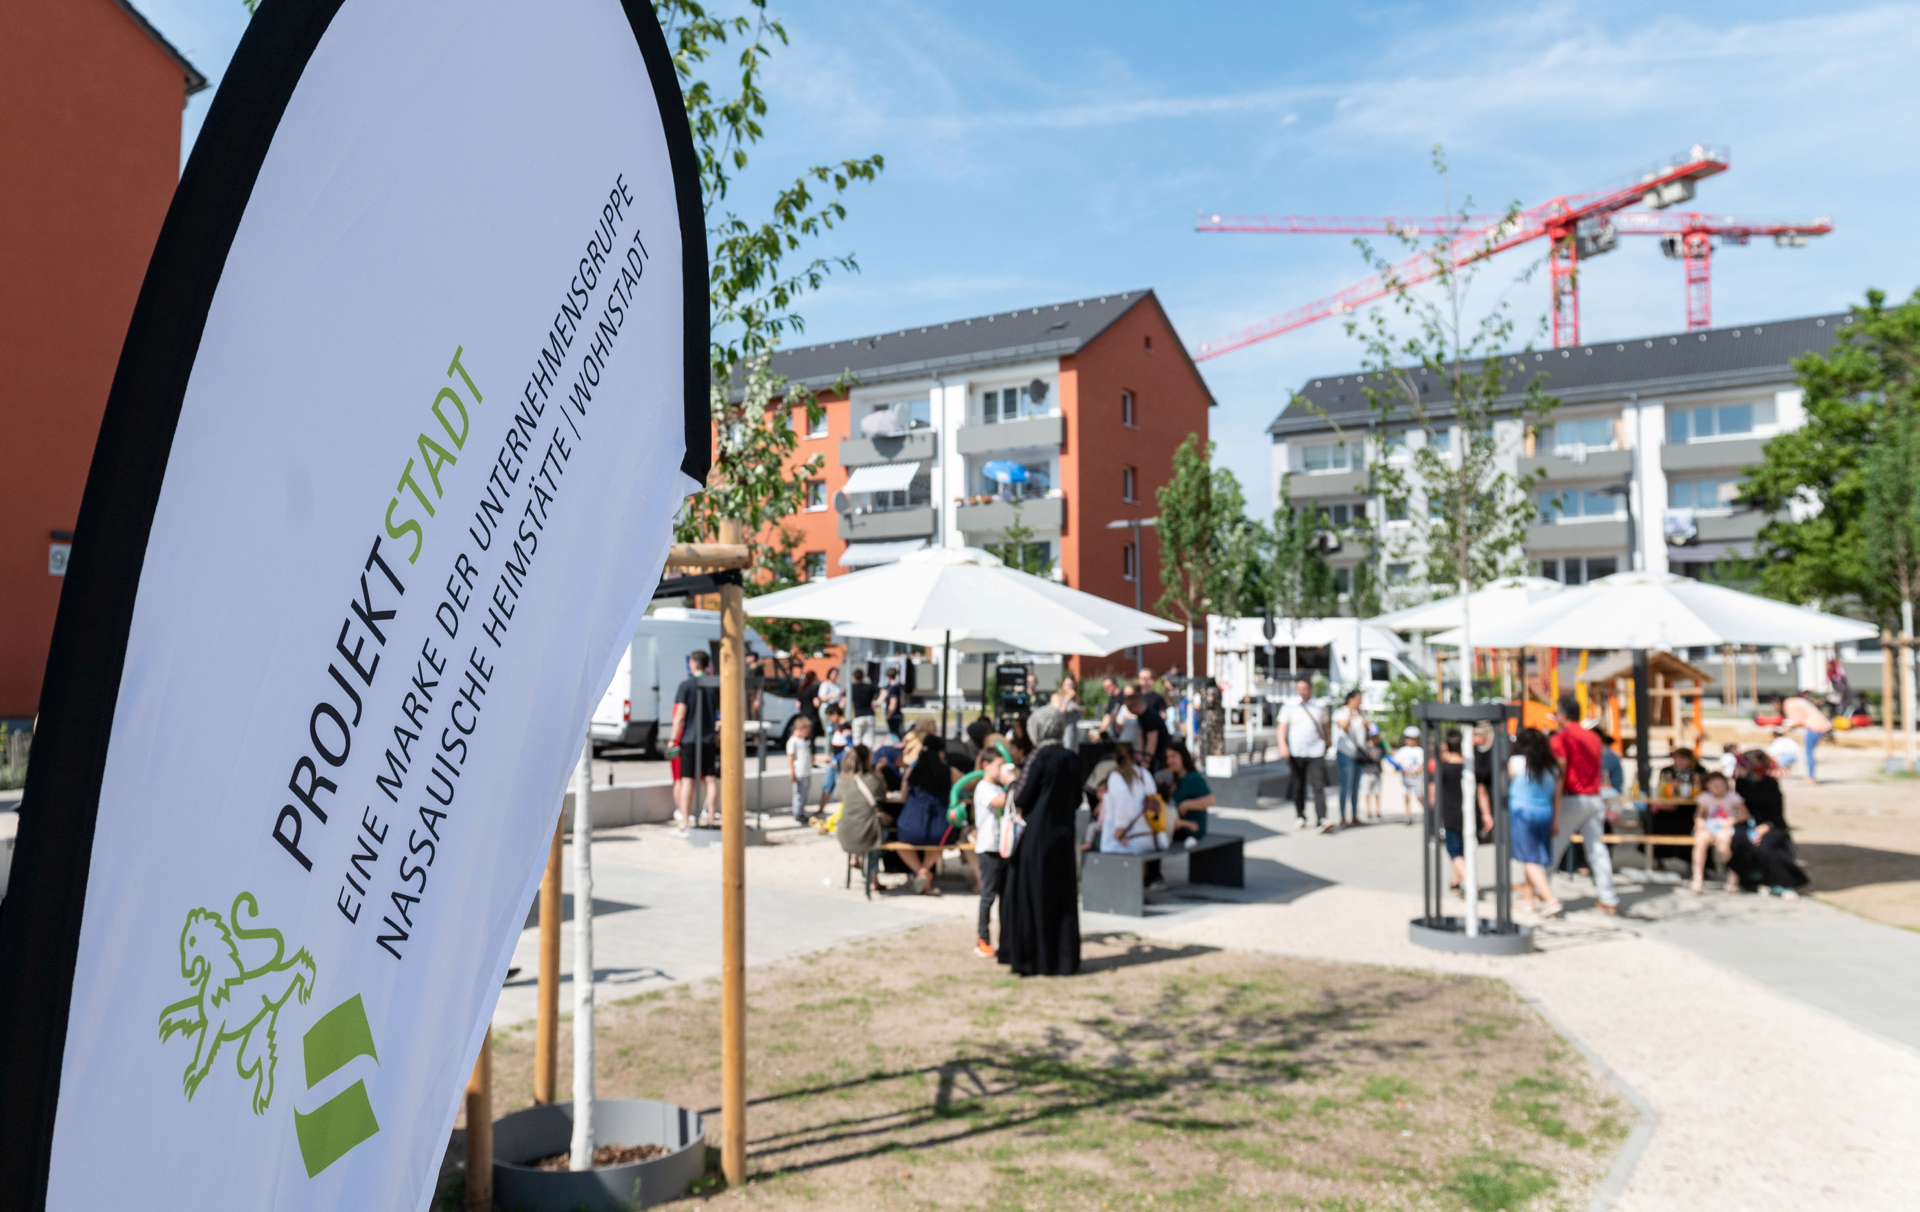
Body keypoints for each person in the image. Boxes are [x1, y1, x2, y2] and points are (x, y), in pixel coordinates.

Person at [999, 707, 1082, 977]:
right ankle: (1062, 959)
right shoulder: (1072, 758)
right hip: (1064, 835)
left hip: (1037, 837)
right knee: (1062, 897)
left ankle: (1034, 959)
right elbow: (1078, 799)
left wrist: (1011, 782)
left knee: (1033, 895)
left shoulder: (1039, 756)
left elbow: (1022, 797)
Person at [1549, 695, 1620, 915]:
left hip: (1572, 797)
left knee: (1553, 846)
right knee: (1597, 850)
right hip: (1594, 797)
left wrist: (1555, 806)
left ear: (1562, 716)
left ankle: (1539, 890)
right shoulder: (1594, 738)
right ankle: (1609, 897)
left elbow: (1559, 774)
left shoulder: (1561, 738)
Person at [1731, 750, 1807, 897]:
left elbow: (1777, 812)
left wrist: (1765, 826)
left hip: (1772, 823)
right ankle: (1751, 880)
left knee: (1767, 845)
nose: (1736, 769)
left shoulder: (1770, 784)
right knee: (1738, 839)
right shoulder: (1741, 782)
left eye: (1741, 766)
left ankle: (1784, 883)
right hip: (1749, 822)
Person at [1508, 727, 1563, 917]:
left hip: (1522, 813)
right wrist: (1555, 820)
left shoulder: (1516, 762)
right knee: (1531, 856)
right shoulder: (1552, 766)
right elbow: (1557, 797)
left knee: (1529, 858)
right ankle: (1528, 898)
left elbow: (1505, 785)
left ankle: (1550, 899)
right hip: (1544, 813)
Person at [895, 736, 959, 895]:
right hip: (939, 826)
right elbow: (967, 784)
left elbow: (903, 798)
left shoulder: (913, 770)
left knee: (899, 843)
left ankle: (921, 872)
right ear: (941, 752)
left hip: (910, 825)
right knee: (939, 840)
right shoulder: (949, 771)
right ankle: (925, 871)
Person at [970, 747, 1014, 957]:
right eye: (998, 766)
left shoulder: (997, 788)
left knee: (1005, 895)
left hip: (1002, 847)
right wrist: (1013, 784)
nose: (1001, 771)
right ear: (986, 766)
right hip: (988, 848)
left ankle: (1004, 938)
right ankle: (983, 939)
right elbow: (1000, 802)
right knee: (988, 895)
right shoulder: (984, 788)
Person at [671, 650, 720, 832]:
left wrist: (672, 738)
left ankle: (685, 821)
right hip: (708, 738)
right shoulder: (714, 685)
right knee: (710, 779)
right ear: (707, 665)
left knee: (687, 780)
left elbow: (680, 715)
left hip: (690, 738)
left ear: (693, 663)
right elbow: (720, 714)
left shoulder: (686, 685)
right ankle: (711, 819)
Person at [834, 745, 892, 892]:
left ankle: (857, 858)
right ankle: (873, 879)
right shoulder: (873, 780)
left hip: (845, 833)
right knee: (881, 836)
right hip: (868, 834)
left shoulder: (843, 782)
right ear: (866, 759)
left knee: (867, 830)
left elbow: (841, 798)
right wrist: (878, 772)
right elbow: (883, 795)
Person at [1276, 678, 1330, 830]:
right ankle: (1300, 816)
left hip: (1316, 751)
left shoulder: (1320, 705)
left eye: (1304, 688)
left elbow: (1326, 725)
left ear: (1310, 688)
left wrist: (1328, 741)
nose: (1302, 692)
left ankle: (1322, 818)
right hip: (1296, 751)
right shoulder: (1289, 705)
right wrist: (1282, 745)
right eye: (1299, 689)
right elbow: (1282, 727)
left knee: (1318, 785)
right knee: (1298, 785)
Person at [1099, 742, 1163, 854]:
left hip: (1126, 839)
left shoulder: (1116, 777)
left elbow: (1124, 801)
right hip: (1148, 836)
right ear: (1135, 756)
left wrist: (1120, 827)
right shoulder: (1145, 774)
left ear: (1115, 758)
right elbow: (1153, 799)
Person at [1689, 770, 1743, 895]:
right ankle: (1698, 877)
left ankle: (1732, 875)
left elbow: (1745, 814)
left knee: (1723, 847)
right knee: (1700, 842)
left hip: (1724, 827)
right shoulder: (1705, 797)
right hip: (1710, 825)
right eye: (1715, 786)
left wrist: (1733, 820)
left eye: (1721, 785)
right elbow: (1699, 814)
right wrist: (1699, 821)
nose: (1718, 788)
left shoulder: (1733, 797)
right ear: (1708, 786)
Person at [1436, 730, 1470, 890]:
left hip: (1450, 812)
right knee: (1461, 847)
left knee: (1454, 850)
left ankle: (1470, 881)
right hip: (1467, 811)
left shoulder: (1444, 767)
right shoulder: (1468, 765)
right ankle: (1455, 881)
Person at [1163, 742, 1214, 845]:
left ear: (1183, 757)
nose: (1170, 761)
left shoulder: (1192, 778)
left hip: (1190, 829)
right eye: (1168, 757)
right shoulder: (1173, 779)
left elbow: (1211, 800)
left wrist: (1187, 804)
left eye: (1173, 756)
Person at [1331, 690, 1368, 829]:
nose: (1360, 702)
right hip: (1345, 754)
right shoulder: (1341, 712)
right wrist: (1351, 717)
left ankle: (1354, 816)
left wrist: (1365, 724)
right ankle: (1342, 818)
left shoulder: (1361, 713)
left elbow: (1367, 731)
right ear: (1350, 699)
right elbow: (1344, 727)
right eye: (1358, 699)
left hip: (1359, 755)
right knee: (1345, 786)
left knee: (1355, 787)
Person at [1781, 691, 1833, 783]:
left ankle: (1811, 778)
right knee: (1810, 752)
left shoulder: (1788, 703)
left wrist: (1785, 729)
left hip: (1815, 727)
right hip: (1821, 724)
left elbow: (1796, 720)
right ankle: (1810, 776)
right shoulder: (1798, 701)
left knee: (1808, 752)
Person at [785, 715, 817, 824]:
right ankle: (797, 814)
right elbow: (790, 757)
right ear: (799, 729)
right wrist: (792, 771)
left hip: (806, 771)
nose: (808, 733)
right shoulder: (792, 741)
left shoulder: (803, 740)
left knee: (804, 794)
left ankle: (802, 812)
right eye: (806, 731)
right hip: (799, 772)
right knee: (798, 794)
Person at [817, 705, 849, 813]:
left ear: (835, 714)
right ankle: (821, 809)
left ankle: (844, 812)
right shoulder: (835, 726)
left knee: (841, 788)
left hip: (840, 764)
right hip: (833, 762)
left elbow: (849, 746)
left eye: (830, 716)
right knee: (827, 785)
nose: (830, 719)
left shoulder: (845, 727)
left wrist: (836, 759)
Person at [1389, 727, 1424, 822]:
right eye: (1407, 738)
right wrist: (1398, 768)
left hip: (1416, 778)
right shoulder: (1403, 750)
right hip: (1405, 778)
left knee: (1419, 796)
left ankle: (1427, 813)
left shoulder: (1419, 751)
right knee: (1406, 796)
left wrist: (1413, 771)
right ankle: (1407, 815)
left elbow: (1421, 766)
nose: (1408, 740)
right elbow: (1397, 764)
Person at [1131, 690, 1168, 771]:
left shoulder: (1150, 716)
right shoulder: (1141, 716)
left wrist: (1146, 761)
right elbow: (1140, 735)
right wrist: (1140, 754)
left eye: (1129, 708)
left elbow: (1152, 741)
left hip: (1159, 755)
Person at [1049, 674, 1083, 750]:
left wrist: (1080, 713)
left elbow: (1074, 717)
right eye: (1068, 685)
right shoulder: (1056, 696)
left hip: (1072, 730)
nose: (1070, 687)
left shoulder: (1074, 700)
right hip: (1062, 731)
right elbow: (1059, 713)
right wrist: (1067, 699)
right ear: (1062, 685)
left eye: (1072, 685)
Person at [848, 667, 879, 751]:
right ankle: (867, 760)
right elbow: (883, 692)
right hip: (869, 715)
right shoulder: (869, 686)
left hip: (858, 716)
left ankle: (858, 760)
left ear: (854, 677)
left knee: (857, 742)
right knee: (868, 742)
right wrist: (877, 703)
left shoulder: (852, 688)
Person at [1360, 725, 1386, 821]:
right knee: (1366, 793)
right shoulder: (1365, 747)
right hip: (1366, 773)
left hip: (1377, 773)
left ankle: (1378, 811)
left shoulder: (1380, 747)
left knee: (1377, 793)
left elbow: (1380, 756)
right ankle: (1369, 811)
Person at [882, 666, 906, 740]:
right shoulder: (898, 686)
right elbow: (902, 702)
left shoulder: (892, 688)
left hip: (893, 715)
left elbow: (893, 702)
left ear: (887, 676)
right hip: (898, 714)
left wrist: (889, 714)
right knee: (899, 734)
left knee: (894, 736)